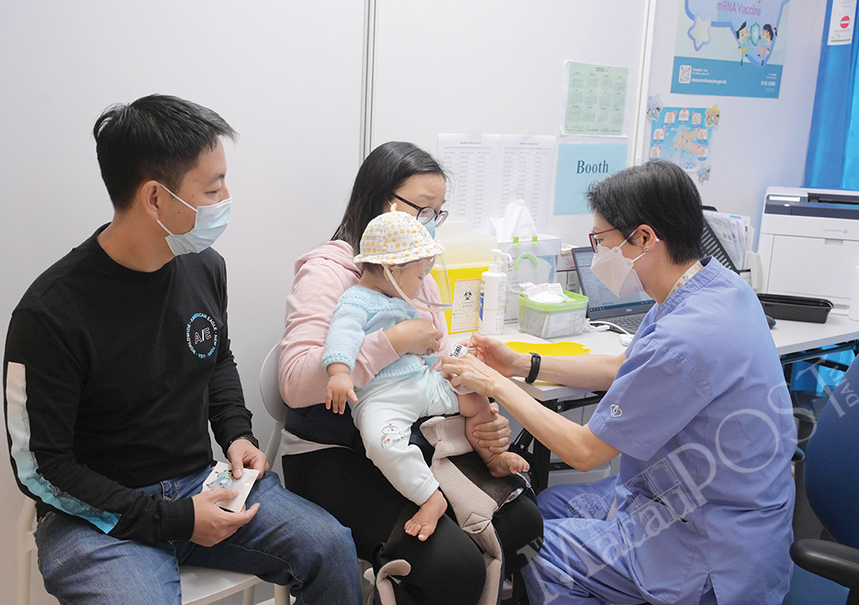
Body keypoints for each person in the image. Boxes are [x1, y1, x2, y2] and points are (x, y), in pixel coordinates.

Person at [3, 94, 361, 604]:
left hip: (199, 483)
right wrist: (174, 519)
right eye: (213, 189)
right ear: (155, 198)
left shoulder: (204, 267)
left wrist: (236, 433)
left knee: (331, 546)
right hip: (97, 518)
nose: (227, 198)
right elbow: (42, 469)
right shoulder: (51, 313)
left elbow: (215, 360)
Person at [443, 161, 796, 605]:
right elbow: (622, 366)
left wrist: (495, 384)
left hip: (707, 543)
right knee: (545, 508)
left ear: (644, 238)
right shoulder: (713, 287)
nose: (598, 253)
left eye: (601, 241)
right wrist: (520, 363)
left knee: (531, 546)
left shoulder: (683, 339)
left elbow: (584, 452)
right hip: (706, 502)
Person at [280, 141, 543, 604]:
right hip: (334, 449)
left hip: (414, 431)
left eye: (437, 213)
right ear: (380, 202)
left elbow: (435, 360)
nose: (429, 222)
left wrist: (480, 418)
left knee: (524, 524)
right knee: (454, 567)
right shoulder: (330, 273)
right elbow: (295, 383)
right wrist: (394, 341)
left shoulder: (416, 270)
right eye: (422, 208)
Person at [323, 210, 530, 541]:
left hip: (421, 382)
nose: (424, 284)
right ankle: (430, 497)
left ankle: (493, 457)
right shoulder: (356, 300)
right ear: (391, 270)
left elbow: (426, 355)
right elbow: (342, 334)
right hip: (381, 397)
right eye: (420, 277)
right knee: (382, 444)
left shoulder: (400, 299)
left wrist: (449, 359)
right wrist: (339, 372)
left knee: (472, 393)